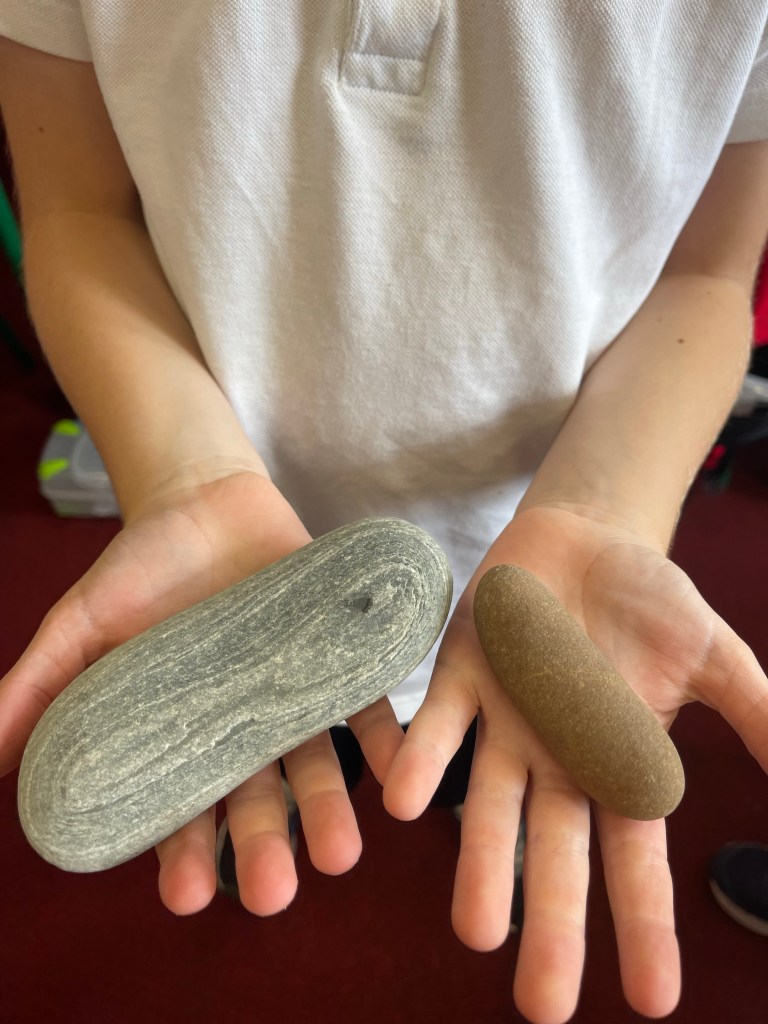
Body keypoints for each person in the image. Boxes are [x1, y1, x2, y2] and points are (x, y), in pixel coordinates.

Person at [0, 5, 767, 1022]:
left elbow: (709, 268)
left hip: (553, 527)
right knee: (313, 752)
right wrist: (182, 469)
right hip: (228, 527)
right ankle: (281, 771)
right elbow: (77, 211)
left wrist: (608, 504)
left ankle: (480, 792)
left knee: (485, 755)